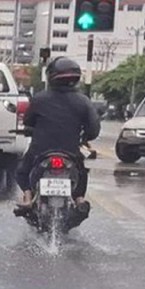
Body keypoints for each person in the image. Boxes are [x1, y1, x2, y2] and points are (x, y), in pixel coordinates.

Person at [14, 57, 101, 224]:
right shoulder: (83, 101)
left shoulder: (39, 99)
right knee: (81, 173)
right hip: (70, 151)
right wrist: (85, 137)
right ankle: (79, 200)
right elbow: (94, 129)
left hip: (40, 150)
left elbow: (28, 122)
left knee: (22, 171)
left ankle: (27, 197)